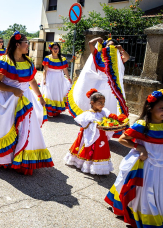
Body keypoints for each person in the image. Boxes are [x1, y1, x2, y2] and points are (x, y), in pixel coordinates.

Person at [0, 31, 52, 175]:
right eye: (26, 43)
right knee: (5, 129)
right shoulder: (4, 61)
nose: (28, 46)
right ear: (18, 44)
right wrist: (13, 89)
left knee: (25, 129)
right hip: (6, 99)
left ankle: (21, 159)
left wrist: (40, 96)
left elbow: (32, 80)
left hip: (25, 99)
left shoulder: (28, 61)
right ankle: (4, 159)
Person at [105, 89, 163, 228]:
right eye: (161, 108)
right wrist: (140, 148)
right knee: (146, 192)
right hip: (147, 165)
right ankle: (143, 215)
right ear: (150, 109)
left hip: (160, 164)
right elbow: (122, 139)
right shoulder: (142, 125)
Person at [67, 37, 130, 137]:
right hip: (100, 87)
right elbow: (90, 43)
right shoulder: (99, 56)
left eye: (113, 45)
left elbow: (127, 57)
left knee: (108, 110)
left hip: (112, 90)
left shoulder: (117, 59)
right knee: (96, 109)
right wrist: (98, 39)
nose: (110, 47)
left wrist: (121, 49)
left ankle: (105, 132)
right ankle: (91, 130)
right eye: (109, 45)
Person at [64, 89, 114, 175]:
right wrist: (95, 125)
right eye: (100, 103)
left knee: (99, 150)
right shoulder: (87, 114)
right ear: (92, 102)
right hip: (89, 135)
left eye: (103, 102)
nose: (102, 105)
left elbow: (109, 120)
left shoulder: (104, 112)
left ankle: (98, 167)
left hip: (101, 137)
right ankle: (84, 164)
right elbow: (85, 125)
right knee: (89, 149)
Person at [41, 43, 71, 117]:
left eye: (57, 48)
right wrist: (44, 79)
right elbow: (45, 70)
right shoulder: (47, 58)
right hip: (50, 77)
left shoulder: (63, 58)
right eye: (54, 48)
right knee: (49, 93)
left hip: (59, 78)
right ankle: (48, 111)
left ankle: (56, 110)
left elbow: (65, 70)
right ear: (51, 49)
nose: (55, 50)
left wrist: (69, 78)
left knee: (57, 93)